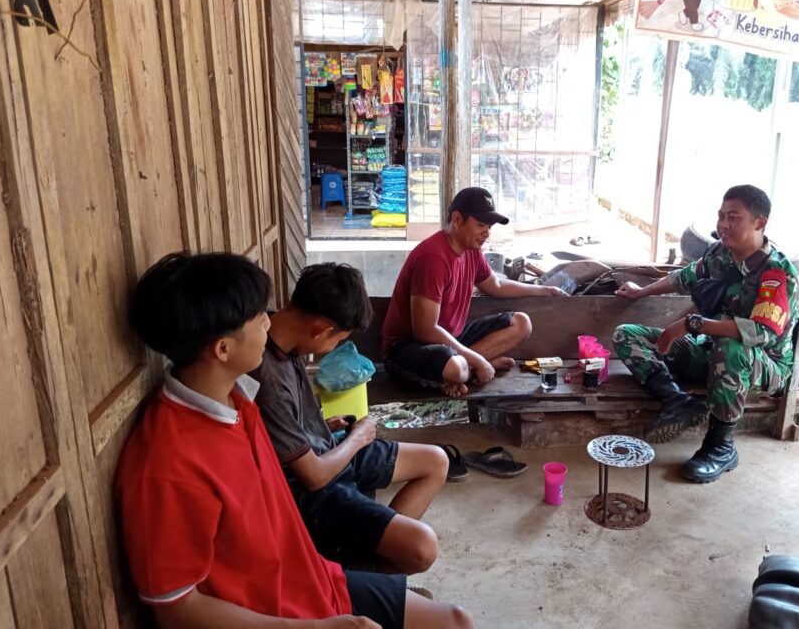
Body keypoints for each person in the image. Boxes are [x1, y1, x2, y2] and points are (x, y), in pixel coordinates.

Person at [115, 251, 473, 629]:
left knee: (456, 621)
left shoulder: (237, 401)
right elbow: (176, 611)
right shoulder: (165, 467)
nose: (268, 323)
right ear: (222, 349)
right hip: (272, 612)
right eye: (257, 317)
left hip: (307, 578)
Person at [250, 262, 448, 576]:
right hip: (311, 490)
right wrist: (357, 438)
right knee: (422, 547)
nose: (333, 348)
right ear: (320, 329)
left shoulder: (284, 336)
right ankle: (363, 579)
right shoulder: (268, 376)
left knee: (436, 461)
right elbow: (313, 477)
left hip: (325, 449)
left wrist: (319, 426)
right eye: (338, 340)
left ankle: (372, 563)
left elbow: (282, 425)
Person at [613, 185, 799, 484]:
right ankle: (677, 401)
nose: (723, 225)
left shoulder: (776, 273)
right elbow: (684, 277)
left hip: (763, 365)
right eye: (721, 216)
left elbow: (759, 332)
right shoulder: (721, 253)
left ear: (760, 222)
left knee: (731, 347)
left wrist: (693, 324)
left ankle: (720, 447)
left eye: (733, 217)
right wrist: (641, 291)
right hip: (711, 351)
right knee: (628, 335)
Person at [382, 187, 566, 398]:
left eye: (489, 226)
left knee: (521, 323)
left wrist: (544, 290)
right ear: (457, 219)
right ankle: (465, 370)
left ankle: (464, 372)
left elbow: (496, 285)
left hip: (452, 339)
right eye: (480, 225)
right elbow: (425, 331)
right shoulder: (433, 257)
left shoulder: (472, 251)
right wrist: (478, 360)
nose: (486, 232)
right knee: (453, 367)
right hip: (409, 348)